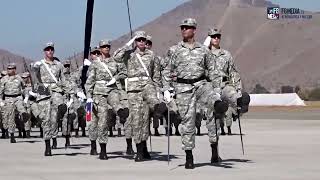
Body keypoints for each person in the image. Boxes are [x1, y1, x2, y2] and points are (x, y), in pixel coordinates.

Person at [162, 18, 228, 169]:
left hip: (200, 83)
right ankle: (189, 156)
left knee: (210, 94)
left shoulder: (203, 50)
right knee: (188, 122)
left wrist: (217, 88)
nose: (184, 29)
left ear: (194, 30)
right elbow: (166, 70)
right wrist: (166, 89)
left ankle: (218, 104)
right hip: (183, 88)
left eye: (187, 27)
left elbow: (213, 71)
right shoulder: (174, 50)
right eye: (182, 27)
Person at [113, 31, 167, 161]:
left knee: (146, 119)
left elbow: (156, 74)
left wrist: (158, 88)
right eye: (139, 40)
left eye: (143, 40)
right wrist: (128, 45)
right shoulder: (129, 54)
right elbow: (116, 57)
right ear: (135, 41)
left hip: (147, 86)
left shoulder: (151, 55)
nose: (141, 42)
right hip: (134, 90)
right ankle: (140, 150)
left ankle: (158, 106)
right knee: (137, 120)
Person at [85, 43, 127, 160]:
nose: (106, 48)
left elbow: (124, 72)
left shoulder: (115, 61)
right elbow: (89, 81)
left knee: (115, 101)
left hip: (112, 89)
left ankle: (120, 111)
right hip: (98, 93)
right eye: (104, 46)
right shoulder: (95, 63)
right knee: (102, 121)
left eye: (108, 46)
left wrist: (116, 77)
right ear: (100, 49)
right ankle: (102, 149)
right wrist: (89, 96)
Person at [31, 42, 69, 156]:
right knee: (46, 120)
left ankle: (61, 106)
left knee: (54, 119)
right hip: (43, 91)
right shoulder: (40, 64)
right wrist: (35, 66)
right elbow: (34, 70)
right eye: (48, 49)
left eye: (51, 49)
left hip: (56, 90)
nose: (50, 51)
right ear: (44, 51)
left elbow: (63, 80)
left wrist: (70, 92)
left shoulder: (59, 65)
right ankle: (47, 145)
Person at [0, 63, 29, 143]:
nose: (9, 70)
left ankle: (24, 114)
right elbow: (0, 91)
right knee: (11, 117)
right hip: (8, 98)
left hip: (18, 97)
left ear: (14, 69)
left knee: (21, 108)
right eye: (8, 68)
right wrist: (0, 101)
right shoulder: (4, 79)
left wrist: (26, 97)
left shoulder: (19, 78)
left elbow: (24, 88)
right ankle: (12, 135)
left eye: (11, 68)